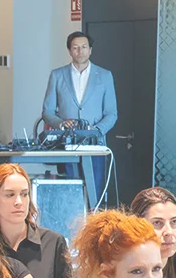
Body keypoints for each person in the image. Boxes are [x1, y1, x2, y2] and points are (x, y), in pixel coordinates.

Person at [40, 31, 118, 190]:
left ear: (90, 50)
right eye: (75, 47)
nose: (80, 51)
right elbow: (47, 112)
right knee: (70, 190)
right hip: (67, 144)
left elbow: (111, 113)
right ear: (69, 51)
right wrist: (61, 124)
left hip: (95, 144)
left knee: (95, 189)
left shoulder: (104, 75)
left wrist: (96, 130)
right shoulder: (57, 75)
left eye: (84, 47)